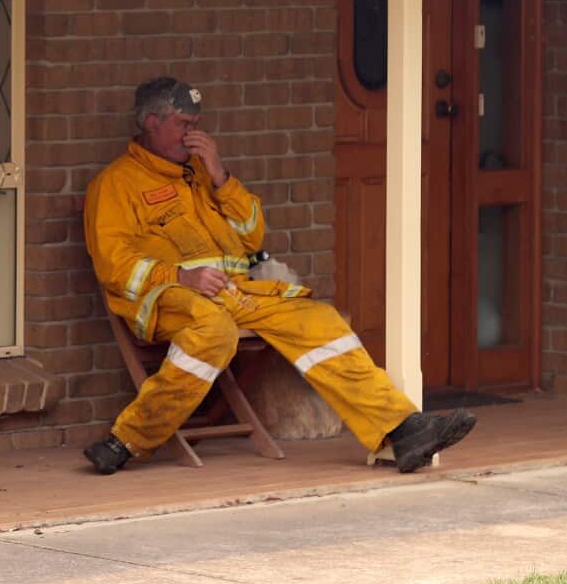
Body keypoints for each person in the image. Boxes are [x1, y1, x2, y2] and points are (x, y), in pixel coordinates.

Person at [81, 78, 476, 475]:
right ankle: (127, 439)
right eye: (184, 124)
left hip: (238, 294)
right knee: (214, 331)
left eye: (197, 124)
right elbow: (114, 266)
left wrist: (220, 177)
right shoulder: (115, 184)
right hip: (170, 298)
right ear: (151, 121)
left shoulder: (200, 174)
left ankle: (402, 428)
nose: (193, 135)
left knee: (319, 320)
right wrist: (182, 278)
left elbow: (252, 234)